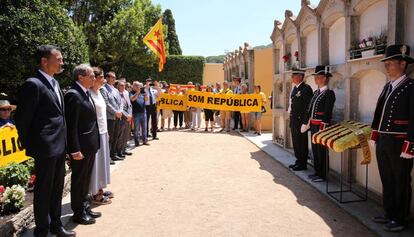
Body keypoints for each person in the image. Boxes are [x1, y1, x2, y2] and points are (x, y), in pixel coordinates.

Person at [15, 45, 75, 237]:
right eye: (59, 59)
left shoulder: (55, 83)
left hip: (59, 146)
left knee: (57, 189)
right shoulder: (33, 84)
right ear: (44, 61)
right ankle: (42, 230)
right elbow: (23, 120)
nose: (62, 63)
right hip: (45, 148)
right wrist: (32, 145)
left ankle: (56, 225)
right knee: (43, 191)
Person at [370, 44, 414, 232]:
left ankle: (400, 218)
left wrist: (409, 145)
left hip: (400, 142)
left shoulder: (410, 87)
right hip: (384, 141)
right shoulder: (388, 86)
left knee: (401, 181)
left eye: (390, 63)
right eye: (386, 63)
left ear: (403, 64)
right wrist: (375, 134)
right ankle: (389, 213)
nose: (386, 66)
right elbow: (379, 113)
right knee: (387, 179)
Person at [65, 64, 101, 225]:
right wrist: (74, 149)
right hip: (81, 148)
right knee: (79, 180)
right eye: (92, 76)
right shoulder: (73, 94)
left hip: (90, 145)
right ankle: (78, 212)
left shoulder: (85, 93)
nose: (94, 78)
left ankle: (85, 207)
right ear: (81, 77)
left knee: (86, 179)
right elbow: (71, 125)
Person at [304, 65, 336, 182]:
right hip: (313, 125)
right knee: (315, 149)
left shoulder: (329, 93)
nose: (316, 79)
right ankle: (317, 172)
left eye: (318, 77)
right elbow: (310, 109)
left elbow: (327, 112)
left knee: (321, 151)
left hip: (321, 126)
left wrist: (323, 126)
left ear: (324, 79)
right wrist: (307, 122)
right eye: (315, 77)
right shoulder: (316, 92)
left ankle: (322, 174)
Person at [89, 67, 112, 205]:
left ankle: (100, 187)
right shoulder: (89, 93)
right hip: (95, 134)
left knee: (102, 163)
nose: (104, 80)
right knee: (96, 165)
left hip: (103, 132)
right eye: (102, 77)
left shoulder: (99, 93)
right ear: (95, 79)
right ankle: (95, 193)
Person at [287, 69, 313, 171]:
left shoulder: (306, 89)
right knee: (296, 142)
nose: (292, 77)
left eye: (294, 75)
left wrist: (305, 122)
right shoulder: (295, 89)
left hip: (301, 121)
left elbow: (308, 107)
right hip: (294, 120)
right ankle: (298, 161)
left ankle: (303, 164)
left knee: (302, 143)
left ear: (300, 77)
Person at [100, 71, 123, 163]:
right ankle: (107, 157)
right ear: (107, 78)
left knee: (116, 136)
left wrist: (120, 111)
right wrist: (115, 112)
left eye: (114, 77)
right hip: (110, 117)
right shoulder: (103, 89)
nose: (114, 79)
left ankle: (113, 154)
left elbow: (120, 102)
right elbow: (106, 103)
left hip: (118, 116)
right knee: (110, 137)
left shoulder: (116, 89)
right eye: (112, 77)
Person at [116, 79, 133, 157]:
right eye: (121, 85)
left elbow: (129, 105)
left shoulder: (126, 93)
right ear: (117, 86)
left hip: (128, 117)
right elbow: (119, 107)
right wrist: (127, 115)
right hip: (122, 117)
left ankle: (124, 149)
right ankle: (119, 152)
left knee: (126, 134)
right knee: (121, 135)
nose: (123, 87)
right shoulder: (116, 94)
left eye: (124, 85)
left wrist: (130, 114)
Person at [130, 81, 149, 146]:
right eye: (137, 85)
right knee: (136, 129)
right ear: (133, 86)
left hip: (143, 112)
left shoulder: (142, 93)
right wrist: (137, 93)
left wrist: (146, 94)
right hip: (136, 114)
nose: (138, 87)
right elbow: (132, 99)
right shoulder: (131, 93)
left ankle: (145, 141)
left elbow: (146, 100)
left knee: (144, 128)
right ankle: (136, 142)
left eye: (139, 85)